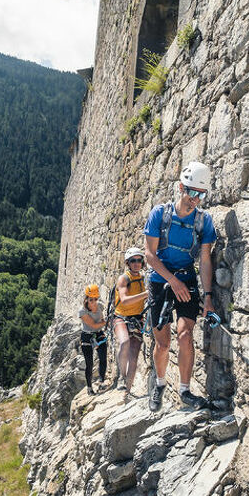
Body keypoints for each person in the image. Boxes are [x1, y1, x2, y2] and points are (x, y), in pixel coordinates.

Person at [144, 161, 216, 411]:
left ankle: (185, 390)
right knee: (162, 343)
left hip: (186, 279)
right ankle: (160, 383)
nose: (196, 198)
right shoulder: (159, 214)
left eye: (201, 194)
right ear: (180, 188)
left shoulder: (203, 222)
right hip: (160, 282)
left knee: (185, 335)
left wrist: (207, 297)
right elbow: (150, 255)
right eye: (192, 192)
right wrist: (171, 281)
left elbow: (205, 259)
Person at [112, 247, 147, 397]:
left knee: (134, 358)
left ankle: (127, 391)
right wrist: (145, 294)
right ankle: (121, 376)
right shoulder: (124, 279)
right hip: (121, 317)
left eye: (139, 260)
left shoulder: (143, 278)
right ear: (128, 263)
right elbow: (124, 300)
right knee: (124, 342)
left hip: (137, 319)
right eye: (133, 261)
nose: (137, 263)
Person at [78, 284, 107, 395]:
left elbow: (101, 320)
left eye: (96, 299)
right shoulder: (82, 311)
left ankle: (101, 381)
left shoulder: (100, 306)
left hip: (99, 333)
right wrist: (106, 322)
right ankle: (89, 387)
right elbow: (94, 325)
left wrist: (104, 321)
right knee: (89, 363)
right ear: (86, 299)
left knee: (103, 357)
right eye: (91, 299)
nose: (94, 301)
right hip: (87, 336)